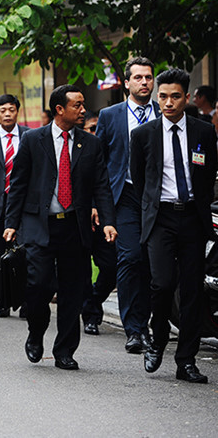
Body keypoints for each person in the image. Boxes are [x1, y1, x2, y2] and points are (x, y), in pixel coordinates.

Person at [4, 85, 116, 370]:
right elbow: (17, 185)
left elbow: (101, 185)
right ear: (59, 109)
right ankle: (35, 333)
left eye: (82, 105)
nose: (82, 110)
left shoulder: (90, 143)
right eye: (77, 105)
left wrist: (108, 221)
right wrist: (11, 224)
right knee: (38, 285)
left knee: (72, 291)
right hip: (39, 225)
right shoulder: (33, 140)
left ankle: (65, 350)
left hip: (74, 228)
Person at [131, 69, 218, 384]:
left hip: (193, 218)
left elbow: (207, 177)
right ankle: (157, 337)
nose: (168, 102)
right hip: (161, 219)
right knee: (163, 283)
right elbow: (141, 182)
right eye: (163, 96)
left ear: (186, 97)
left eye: (175, 96)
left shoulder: (204, 132)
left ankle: (187, 361)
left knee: (194, 291)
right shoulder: (142, 135)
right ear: (157, 96)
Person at [95, 56, 160, 354]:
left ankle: (149, 325)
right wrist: (99, 202)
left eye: (148, 77)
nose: (144, 82)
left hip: (159, 199)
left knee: (151, 263)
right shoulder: (110, 115)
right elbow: (100, 162)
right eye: (138, 78)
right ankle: (134, 330)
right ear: (127, 83)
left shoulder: (165, 113)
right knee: (130, 257)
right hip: (125, 196)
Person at [0, 94, 30, 318]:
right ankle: (2, 301)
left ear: (17, 111)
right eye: (2, 110)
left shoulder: (30, 136)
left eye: (11, 110)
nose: (6, 114)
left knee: (24, 253)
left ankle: (24, 300)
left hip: (24, 206)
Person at [80, 113, 118, 335]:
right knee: (83, 270)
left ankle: (93, 301)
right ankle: (91, 316)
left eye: (97, 129)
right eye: (90, 128)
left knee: (111, 266)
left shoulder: (110, 154)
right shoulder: (76, 150)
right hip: (82, 219)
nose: (94, 133)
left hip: (107, 220)